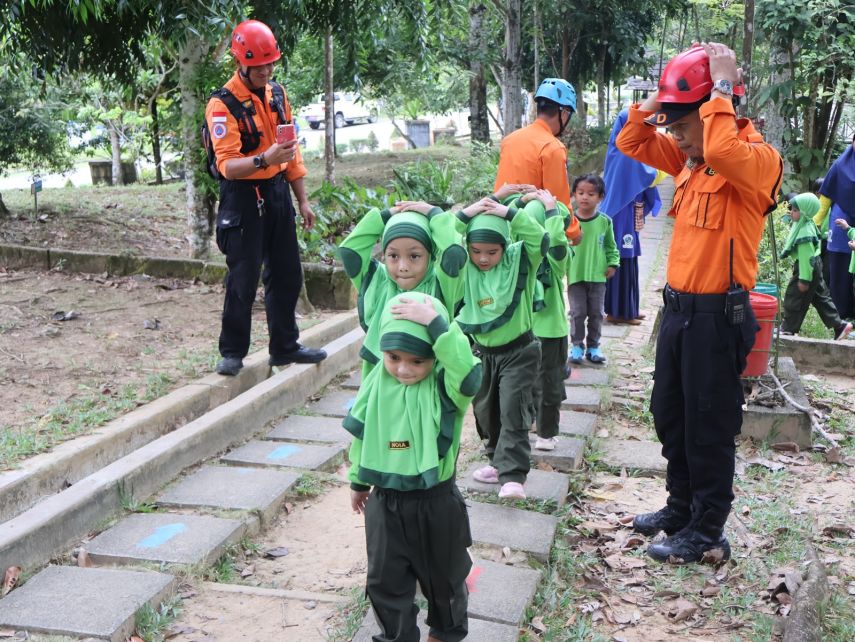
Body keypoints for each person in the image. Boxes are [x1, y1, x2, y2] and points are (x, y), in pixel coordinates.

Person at [616, 43, 783, 563]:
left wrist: (721, 92)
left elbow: (725, 151)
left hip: (717, 319)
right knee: (671, 413)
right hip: (680, 313)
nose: (675, 134)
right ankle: (681, 507)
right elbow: (629, 138)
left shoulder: (755, 162)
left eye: (682, 123)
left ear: (715, 114)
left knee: (709, 426)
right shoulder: (690, 163)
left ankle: (708, 530)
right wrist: (658, 103)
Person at [345, 293, 481, 642]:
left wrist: (439, 325)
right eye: (393, 357)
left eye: (417, 361)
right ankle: (397, 637)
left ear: (435, 356)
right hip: (385, 502)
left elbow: (467, 370)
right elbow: (364, 433)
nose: (403, 369)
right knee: (383, 582)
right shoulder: (377, 384)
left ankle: (445, 633)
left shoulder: (446, 388)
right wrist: (358, 481)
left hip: (436, 503)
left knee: (445, 579)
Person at [206, 20, 326, 376]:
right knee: (243, 279)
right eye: (259, 65)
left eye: (270, 63)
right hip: (242, 197)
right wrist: (263, 159)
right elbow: (227, 166)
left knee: (287, 274)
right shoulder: (221, 104)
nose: (266, 70)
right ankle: (232, 352)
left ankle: (285, 347)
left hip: (276, 193)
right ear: (241, 62)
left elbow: (291, 152)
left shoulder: (277, 94)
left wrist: (302, 199)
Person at [453, 195, 548, 500]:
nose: (483, 258)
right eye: (476, 251)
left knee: (512, 409)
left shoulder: (519, 260)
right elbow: (445, 238)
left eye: (492, 252)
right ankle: (496, 462)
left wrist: (509, 213)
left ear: (504, 247)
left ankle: (513, 475)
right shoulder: (466, 267)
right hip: (483, 354)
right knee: (485, 412)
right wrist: (466, 214)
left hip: (519, 352)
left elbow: (539, 239)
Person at [339, 201, 466, 378]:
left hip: (429, 385)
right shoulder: (378, 281)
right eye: (393, 256)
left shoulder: (442, 285)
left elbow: (454, 253)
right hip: (381, 384)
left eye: (414, 256)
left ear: (431, 256)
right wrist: (384, 216)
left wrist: (434, 213)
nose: (403, 266)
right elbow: (349, 252)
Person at [514, 191, 572, 451]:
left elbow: (555, 242)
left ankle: (541, 431)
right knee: (546, 383)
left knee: (539, 383)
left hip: (529, 329)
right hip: (543, 330)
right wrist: (551, 210)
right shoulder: (522, 256)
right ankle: (544, 433)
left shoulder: (519, 257)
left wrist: (541, 208)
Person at [494, 78, 582, 244]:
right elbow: (559, 201)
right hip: (532, 233)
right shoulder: (553, 148)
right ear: (563, 113)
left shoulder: (510, 139)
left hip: (502, 226)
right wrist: (574, 232)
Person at [601, 109, 664, 325]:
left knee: (631, 258)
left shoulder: (628, 149)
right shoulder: (621, 150)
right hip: (619, 213)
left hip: (628, 211)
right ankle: (616, 312)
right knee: (621, 258)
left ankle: (629, 308)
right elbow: (648, 173)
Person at [780, 193, 852, 339]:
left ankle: (788, 328)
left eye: (794, 210)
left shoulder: (804, 231)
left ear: (805, 211)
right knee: (820, 297)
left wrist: (804, 279)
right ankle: (839, 326)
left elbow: (806, 257)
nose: (791, 213)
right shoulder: (808, 223)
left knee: (794, 297)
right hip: (815, 265)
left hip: (807, 268)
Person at [566, 174, 620, 365]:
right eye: (580, 193)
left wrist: (613, 263)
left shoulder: (604, 221)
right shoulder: (569, 221)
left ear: (600, 197)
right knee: (577, 313)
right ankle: (577, 346)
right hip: (575, 276)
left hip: (598, 276)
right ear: (574, 194)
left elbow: (610, 246)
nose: (585, 197)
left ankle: (594, 346)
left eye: (591, 193)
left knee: (597, 313)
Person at [815, 134, 855, 320]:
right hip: (841, 226)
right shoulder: (839, 166)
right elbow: (826, 198)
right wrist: (815, 223)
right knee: (840, 272)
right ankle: (841, 314)